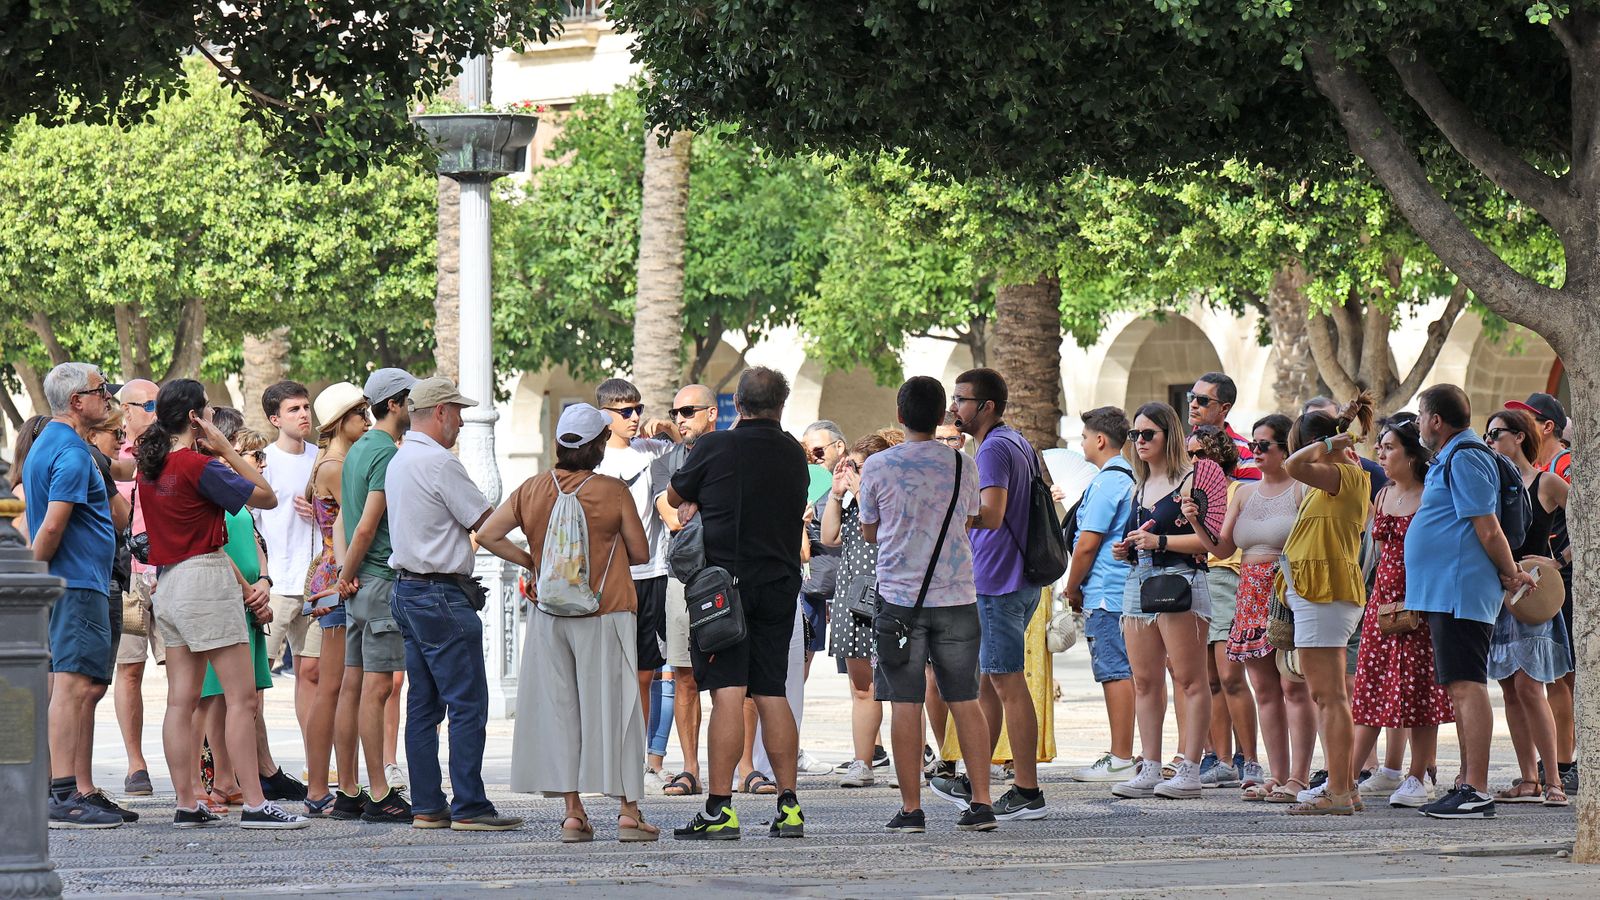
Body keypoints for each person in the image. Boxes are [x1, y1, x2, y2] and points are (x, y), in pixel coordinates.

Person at [478, 403, 658, 842]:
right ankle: (628, 813)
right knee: (616, 711)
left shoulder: (532, 489)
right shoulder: (612, 491)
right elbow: (641, 553)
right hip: (606, 611)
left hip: (549, 614)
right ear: (598, 445)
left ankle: (574, 814)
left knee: (561, 712)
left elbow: (486, 535)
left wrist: (532, 563)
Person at [135, 379, 308, 829]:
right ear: (195, 418)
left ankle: (186, 802)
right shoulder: (199, 466)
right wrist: (226, 451)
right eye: (208, 412)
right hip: (205, 578)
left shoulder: (150, 467)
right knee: (241, 696)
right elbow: (266, 497)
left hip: (168, 582)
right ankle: (253, 802)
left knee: (181, 701)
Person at [667, 367, 809, 841]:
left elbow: (674, 494)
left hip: (724, 589)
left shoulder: (715, 446)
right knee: (771, 691)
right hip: (780, 582)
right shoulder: (793, 451)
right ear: (780, 406)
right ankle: (789, 806)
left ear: (737, 406)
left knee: (728, 691)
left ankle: (719, 810)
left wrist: (700, 504)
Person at [856, 376, 996, 833]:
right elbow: (972, 518)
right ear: (942, 416)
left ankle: (912, 808)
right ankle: (981, 801)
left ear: (900, 416)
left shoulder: (878, 466)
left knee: (905, 702)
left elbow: (870, 530)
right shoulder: (964, 465)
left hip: (899, 599)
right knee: (965, 699)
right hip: (957, 595)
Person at [386, 376, 521, 831]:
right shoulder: (442, 464)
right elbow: (487, 525)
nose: (462, 422)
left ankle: (427, 804)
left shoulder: (401, 459)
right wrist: (532, 560)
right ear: (440, 411)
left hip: (407, 589)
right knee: (467, 703)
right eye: (459, 412)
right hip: (440, 594)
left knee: (423, 706)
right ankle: (470, 806)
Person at [1406, 384, 1536, 820]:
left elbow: (1488, 527)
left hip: (1461, 590)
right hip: (1446, 591)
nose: (1419, 422)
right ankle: (1466, 782)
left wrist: (1510, 570)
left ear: (1436, 419)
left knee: (1467, 686)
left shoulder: (1465, 457)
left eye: (1422, 414)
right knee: (1458, 687)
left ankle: (1476, 788)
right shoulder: (1452, 456)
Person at [939, 367, 1046, 820]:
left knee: (1007, 682)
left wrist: (954, 513)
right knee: (988, 683)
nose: (955, 407)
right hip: (1010, 578)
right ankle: (980, 780)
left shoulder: (997, 449)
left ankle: (1027, 790)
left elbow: (993, 514)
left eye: (962, 399)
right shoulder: (1014, 441)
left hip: (1000, 581)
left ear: (986, 406)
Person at [1189, 414, 1311, 802]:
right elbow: (1223, 549)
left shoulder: (1301, 490)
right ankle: (1276, 774)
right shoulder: (1242, 492)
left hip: (1285, 592)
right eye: (1253, 445)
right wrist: (1196, 523)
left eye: (1264, 446)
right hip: (1250, 591)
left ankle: (1299, 777)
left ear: (1285, 450)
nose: (1255, 452)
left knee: (1293, 685)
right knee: (1264, 689)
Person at [25, 363, 126, 828]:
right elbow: (51, 524)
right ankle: (63, 791)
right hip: (76, 582)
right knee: (70, 685)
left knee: (75, 684)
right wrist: (32, 579)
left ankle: (67, 788)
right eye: (99, 390)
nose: (106, 396)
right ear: (75, 402)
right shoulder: (68, 448)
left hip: (72, 581)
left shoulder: (51, 444)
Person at [1272, 394, 1374, 815]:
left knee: (1329, 697)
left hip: (1326, 593)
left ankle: (1336, 791)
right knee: (1327, 695)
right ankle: (1345, 786)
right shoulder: (1332, 481)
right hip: (1319, 591)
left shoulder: (1345, 475)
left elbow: (1292, 465)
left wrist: (1336, 442)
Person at [1110, 402, 1214, 801]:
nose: (1139, 442)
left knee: (1189, 678)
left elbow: (1211, 543)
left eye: (1147, 434)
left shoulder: (1190, 480)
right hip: (1140, 580)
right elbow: (1135, 538)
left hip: (1182, 579)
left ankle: (1190, 766)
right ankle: (1149, 765)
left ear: (1168, 436)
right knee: (1145, 679)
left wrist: (1161, 541)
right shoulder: (1138, 485)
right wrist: (1127, 549)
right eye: (1135, 435)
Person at [1349, 414, 1453, 809]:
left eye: (1389, 447)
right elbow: (1372, 554)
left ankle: (1417, 776)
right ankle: (1345, 778)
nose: (1381, 453)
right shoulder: (1383, 495)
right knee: (1371, 684)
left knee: (1420, 690)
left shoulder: (1431, 495)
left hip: (1419, 600)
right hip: (1383, 601)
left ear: (1412, 456)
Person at [332, 368, 418, 823]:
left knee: (352, 685)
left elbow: (343, 522)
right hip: (379, 579)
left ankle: (347, 789)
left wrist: (346, 573)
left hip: (359, 582)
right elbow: (367, 523)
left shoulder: (358, 449)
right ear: (396, 403)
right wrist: (348, 572)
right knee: (377, 687)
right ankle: (380, 793)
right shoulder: (385, 452)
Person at [195, 422, 294, 811]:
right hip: (228, 598)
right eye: (251, 454)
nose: (258, 462)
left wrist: (265, 580)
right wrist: (248, 591)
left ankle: (230, 781)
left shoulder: (234, 489)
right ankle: (217, 782)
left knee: (243, 697)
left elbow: (253, 537)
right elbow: (217, 546)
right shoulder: (212, 483)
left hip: (252, 599)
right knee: (214, 698)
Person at [1483, 407, 1571, 807]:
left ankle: (1553, 779)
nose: (1489, 442)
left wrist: (1561, 560)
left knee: (1530, 685)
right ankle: (1527, 780)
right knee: (1508, 686)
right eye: (1486, 436)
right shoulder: (1491, 483)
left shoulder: (1547, 481)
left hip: (1535, 594)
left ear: (1519, 436)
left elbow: (1591, 518)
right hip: (1498, 594)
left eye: (1495, 434)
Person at [821, 428, 904, 788]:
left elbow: (886, 530)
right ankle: (862, 761)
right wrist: (837, 495)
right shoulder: (852, 497)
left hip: (888, 592)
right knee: (862, 688)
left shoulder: (890, 495)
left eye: (859, 466)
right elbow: (829, 538)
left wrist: (859, 489)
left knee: (899, 684)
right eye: (851, 465)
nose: (852, 471)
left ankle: (909, 762)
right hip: (852, 593)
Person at [300, 382, 367, 818]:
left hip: (332, 574)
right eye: (361, 413)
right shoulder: (338, 464)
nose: (368, 420)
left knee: (337, 686)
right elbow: (357, 521)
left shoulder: (332, 460)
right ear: (341, 422)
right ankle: (326, 787)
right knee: (336, 687)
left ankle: (333, 785)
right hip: (340, 579)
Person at [594, 378, 676, 732]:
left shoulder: (652, 449)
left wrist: (669, 427)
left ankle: (637, 759)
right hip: (610, 579)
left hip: (652, 573)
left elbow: (690, 446)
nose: (634, 417)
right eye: (625, 411)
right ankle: (606, 756)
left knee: (645, 674)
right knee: (608, 674)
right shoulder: (594, 457)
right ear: (604, 414)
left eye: (637, 409)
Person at [1503, 392, 1576, 793]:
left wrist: (1559, 562)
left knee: (1553, 679)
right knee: (1521, 685)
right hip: (1515, 590)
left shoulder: (1558, 469)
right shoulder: (1512, 476)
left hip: (1550, 588)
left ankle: (1560, 769)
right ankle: (1538, 773)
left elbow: (1587, 514)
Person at [1061, 407, 1138, 784]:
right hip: (1120, 587)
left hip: (1106, 591)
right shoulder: (1127, 475)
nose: (1082, 443)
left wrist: (1072, 586)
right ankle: (1123, 751)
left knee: (1114, 672)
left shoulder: (1108, 481)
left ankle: (1121, 754)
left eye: (1084, 437)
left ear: (1100, 440)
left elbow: (1088, 543)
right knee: (1122, 670)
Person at [652, 384, 718, 798]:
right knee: (683, 673)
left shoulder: (731, 450)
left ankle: (746, 768)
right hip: (682, 574)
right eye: (675, 412)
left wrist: (697, 504)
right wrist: (700, 507)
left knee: (737, 679)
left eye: (689, 410)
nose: (680, 418)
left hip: (727, 573)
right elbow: (672, 517)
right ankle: (690, 767)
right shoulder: (666, 461)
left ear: (712, 413)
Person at [1186, 425, 1255, 789]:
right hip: (1199, 580)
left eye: (1201, 454)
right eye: (1191, 455)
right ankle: (1222, 759)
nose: (1195, 461)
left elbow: (1228, 545)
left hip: (1229, 578)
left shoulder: (1236, 491)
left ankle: (1249, 758)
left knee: (1231, 676)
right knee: (1210, 678)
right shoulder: (1189, 492)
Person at [257, 381, 322, 761]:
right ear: (274, 419)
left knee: (312, 674)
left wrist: (322, 516)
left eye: (305, 407)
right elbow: (251, 524)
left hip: (315, 584)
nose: (303, 415)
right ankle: (260, 766)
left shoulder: (321, 458)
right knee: (256, 679)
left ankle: (316, 763)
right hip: (276, 585)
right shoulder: (262, 461)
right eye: (294, 409)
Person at [112, 378, 163, 797]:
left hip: (168, 571)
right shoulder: (112, 457)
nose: (155, 409)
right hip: (129, 577)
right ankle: (135, 764)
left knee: (188, 670)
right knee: (129, 668)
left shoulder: (171, 451)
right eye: (148, 403)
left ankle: (200, 768)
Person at [798, 420, 850, 776]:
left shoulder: (857, 481)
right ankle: (791, 748)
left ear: (838, 448)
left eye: (818, 450)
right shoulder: (804, 482)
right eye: (806, 451)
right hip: (810, 589)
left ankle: (872, 750)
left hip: (852, 589)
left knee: (867, 678)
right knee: (797, 672)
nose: (812, 457)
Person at [1303, 397, 1389, 502]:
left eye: (1327, 422)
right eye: (1312, 423)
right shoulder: (1298, 474)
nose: (1319, 433)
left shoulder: (1370, 471)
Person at [1188, 373, 1259, 480]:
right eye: (1191, 396)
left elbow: (1247, 496)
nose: (1193, 404)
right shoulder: (1179, 448)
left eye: (1203, 400)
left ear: (1224, 408)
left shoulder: (1246, 454)